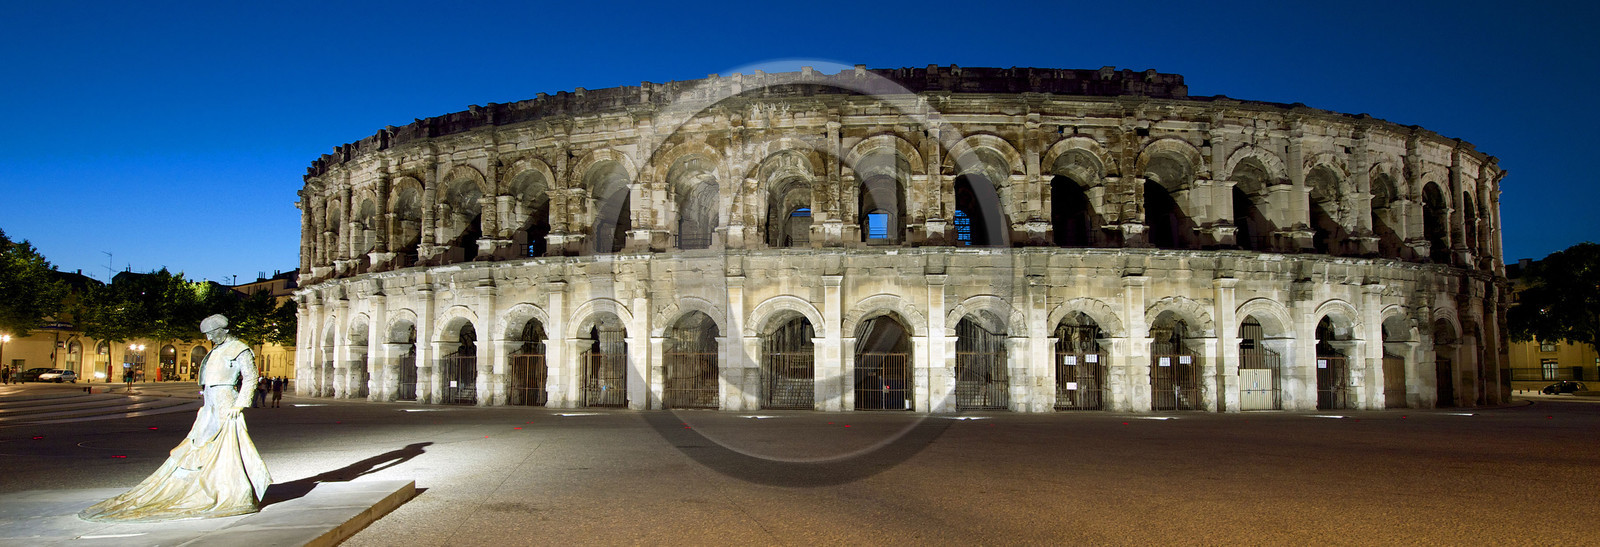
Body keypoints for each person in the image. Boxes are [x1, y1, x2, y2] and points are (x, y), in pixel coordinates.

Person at [80, 314, 272, 522]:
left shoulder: (239, 348)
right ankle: (203, 480)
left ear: (222, 330)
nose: (208, 338)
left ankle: (229, 485)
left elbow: (251, 376)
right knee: (200, 440)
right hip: (210, 400)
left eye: (211, 333)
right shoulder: (217, 349)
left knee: (227, 444)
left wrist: (240, 403)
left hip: (226, 400)